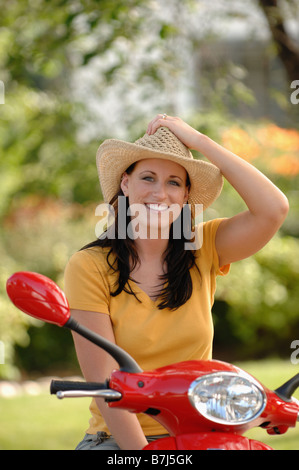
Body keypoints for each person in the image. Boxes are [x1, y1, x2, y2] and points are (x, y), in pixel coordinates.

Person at [64, 114, 289, 450]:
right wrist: (146, 455)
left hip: (202, 436)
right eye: (148, 178)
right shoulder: (89, 266)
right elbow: (106, 383)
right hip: (118, 441)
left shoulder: (205, 247)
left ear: (186, 195)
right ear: (125, 183)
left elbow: (273, 209)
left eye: (174, 182)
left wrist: (198, 140)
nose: (160, 192)